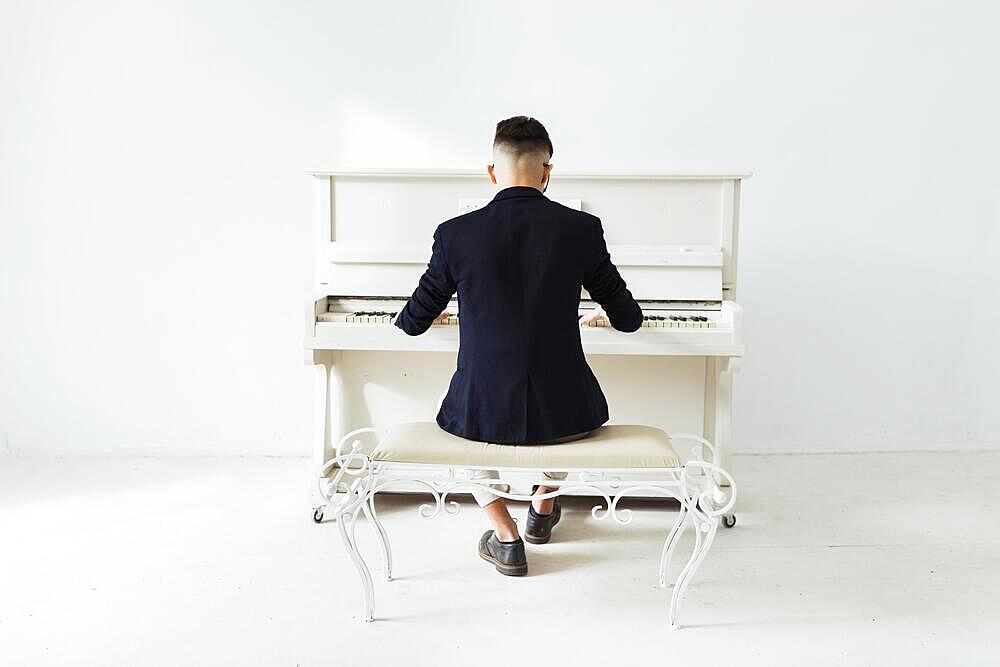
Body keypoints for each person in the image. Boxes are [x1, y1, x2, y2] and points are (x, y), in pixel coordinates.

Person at [394, 116, 642, 575]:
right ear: (548, 171)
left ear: (492, 171)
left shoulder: (455, 234)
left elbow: (411, 322)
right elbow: (630, 320)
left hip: (480, 409)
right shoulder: (582, 229)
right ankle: (543, 511)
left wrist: (444, 314)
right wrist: (603, 315)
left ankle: (505, 538)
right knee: (565, 421)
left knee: (461, 429)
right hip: (565, 411)